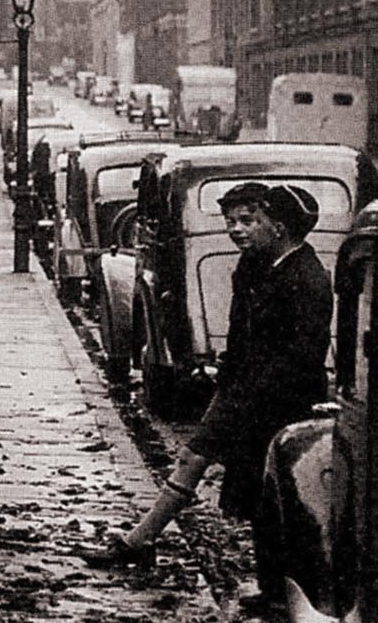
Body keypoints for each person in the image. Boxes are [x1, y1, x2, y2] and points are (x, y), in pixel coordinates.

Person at [80, 182, 331, 619]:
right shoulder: (254, 266)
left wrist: (250, 396)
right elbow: (240, 332)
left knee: (272, 497)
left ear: (279, 226)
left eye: (250, 221)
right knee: (200, 464)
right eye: (231, 221)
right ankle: (142, 541)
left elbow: (303, 356)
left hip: (283, 403)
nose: (237, 230)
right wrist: (226, 378)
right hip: (241, 391)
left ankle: (276, 589)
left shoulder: (307, 279)